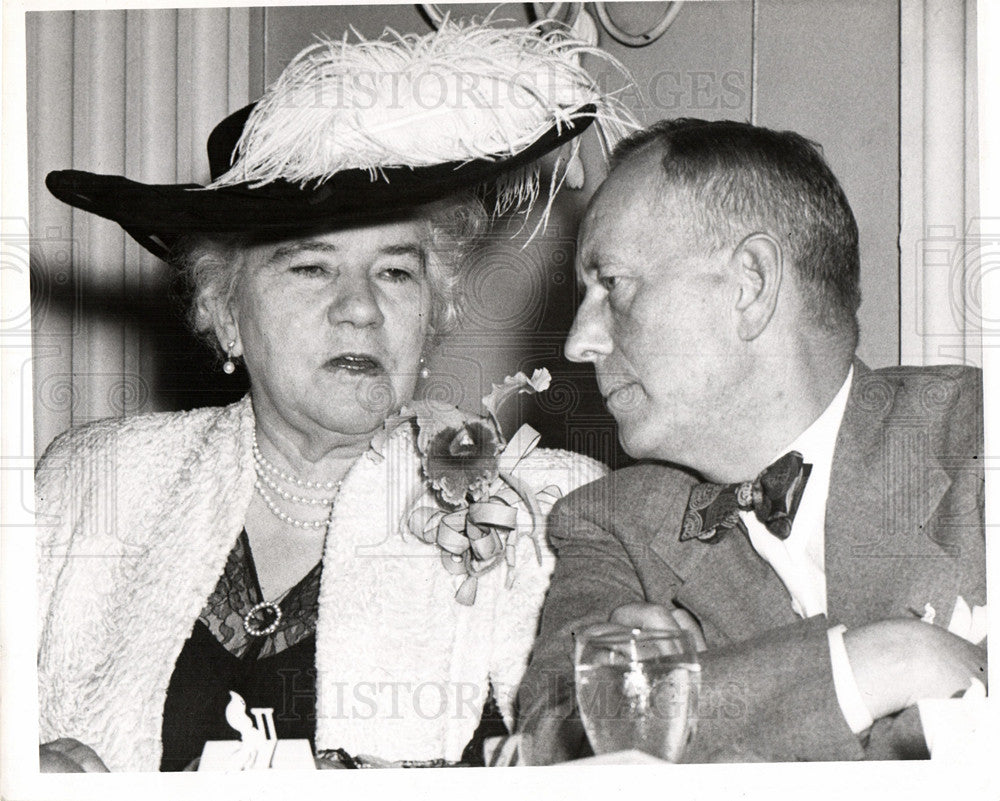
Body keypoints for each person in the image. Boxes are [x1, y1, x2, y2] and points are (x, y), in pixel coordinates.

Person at [34, 20, 632, 772]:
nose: (360, 308)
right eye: (312, 269)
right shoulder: (91, 484)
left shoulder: (549, 512)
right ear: (224, 310)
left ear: (434, 311)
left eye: (395, 272)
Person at [515, 118, 986, 763]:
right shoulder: (609, 525)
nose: (579, 341)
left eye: (613, 285)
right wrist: (884, 661)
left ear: (751, 284)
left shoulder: (977, 439)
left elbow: (632, 730)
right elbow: (554, 750)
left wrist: (704, 696)